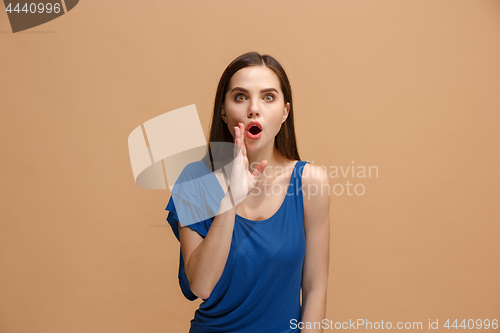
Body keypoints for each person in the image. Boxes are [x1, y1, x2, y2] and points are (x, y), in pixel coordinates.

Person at [166, 51, 331, 333]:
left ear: (285, 112)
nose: (253, 108)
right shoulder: (194, 181)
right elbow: (201, 285)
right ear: (223, 111)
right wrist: (230, 199)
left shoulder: (311, 183)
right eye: (240, 96)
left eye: (268, 97)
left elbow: (315, 288)